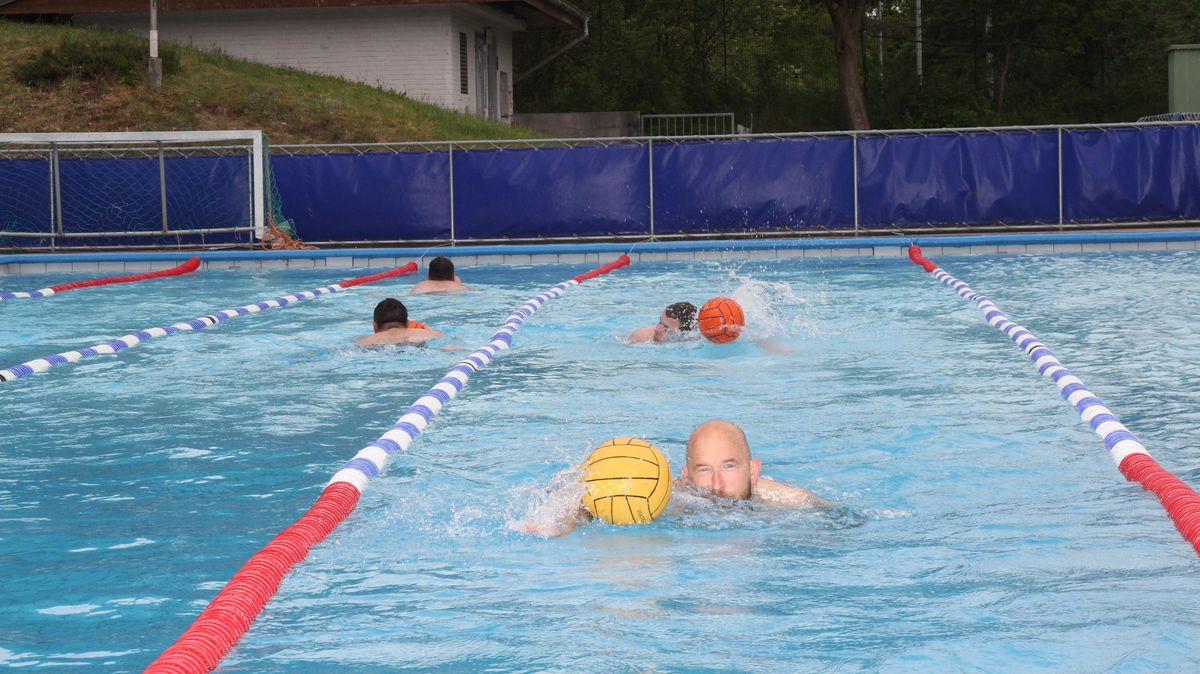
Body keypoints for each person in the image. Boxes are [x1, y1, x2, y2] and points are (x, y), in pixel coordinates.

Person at [523, 419, 827, 536]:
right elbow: (596, 500)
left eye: (729, 466)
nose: (717, 485)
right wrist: (567, 522)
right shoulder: (671, 498)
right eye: (704, 469)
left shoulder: (788, 501)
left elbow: (836, 522)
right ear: (686, 476)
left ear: (753, 470)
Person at [356, 298, 446, 346]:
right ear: (407, 323)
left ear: (375, 326)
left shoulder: (364, 342)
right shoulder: (433, 335)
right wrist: (430, 331)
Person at [628, 301, 699, 343]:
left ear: (683, 334)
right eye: (660, 322)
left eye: (666, 329)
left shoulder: (692, 341)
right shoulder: (643, 336)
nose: (657, 329)